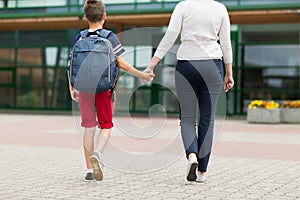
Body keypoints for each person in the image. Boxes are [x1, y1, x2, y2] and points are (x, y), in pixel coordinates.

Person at [144, 0, 234, 182]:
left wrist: (151, 65)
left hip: (187, 64)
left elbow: (170, 37)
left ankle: (191, 156)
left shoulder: (183, 6)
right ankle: (202, 172)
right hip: (212, 64)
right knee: (207, 121)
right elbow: (226, 44)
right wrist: (229, 73)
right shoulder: (220, 8)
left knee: (187, 119)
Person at [67, 0, 154, 181]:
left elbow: (70, 64)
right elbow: (120, 63)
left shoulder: (80, 37)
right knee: (105, 127)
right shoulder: (109, 37)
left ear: (85, 17)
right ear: (104, 16)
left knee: (88, 128)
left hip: (84, 89)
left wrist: (72, 87)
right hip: (104, 89)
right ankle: (97, 154)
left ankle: (89, 170)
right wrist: (141, 75)